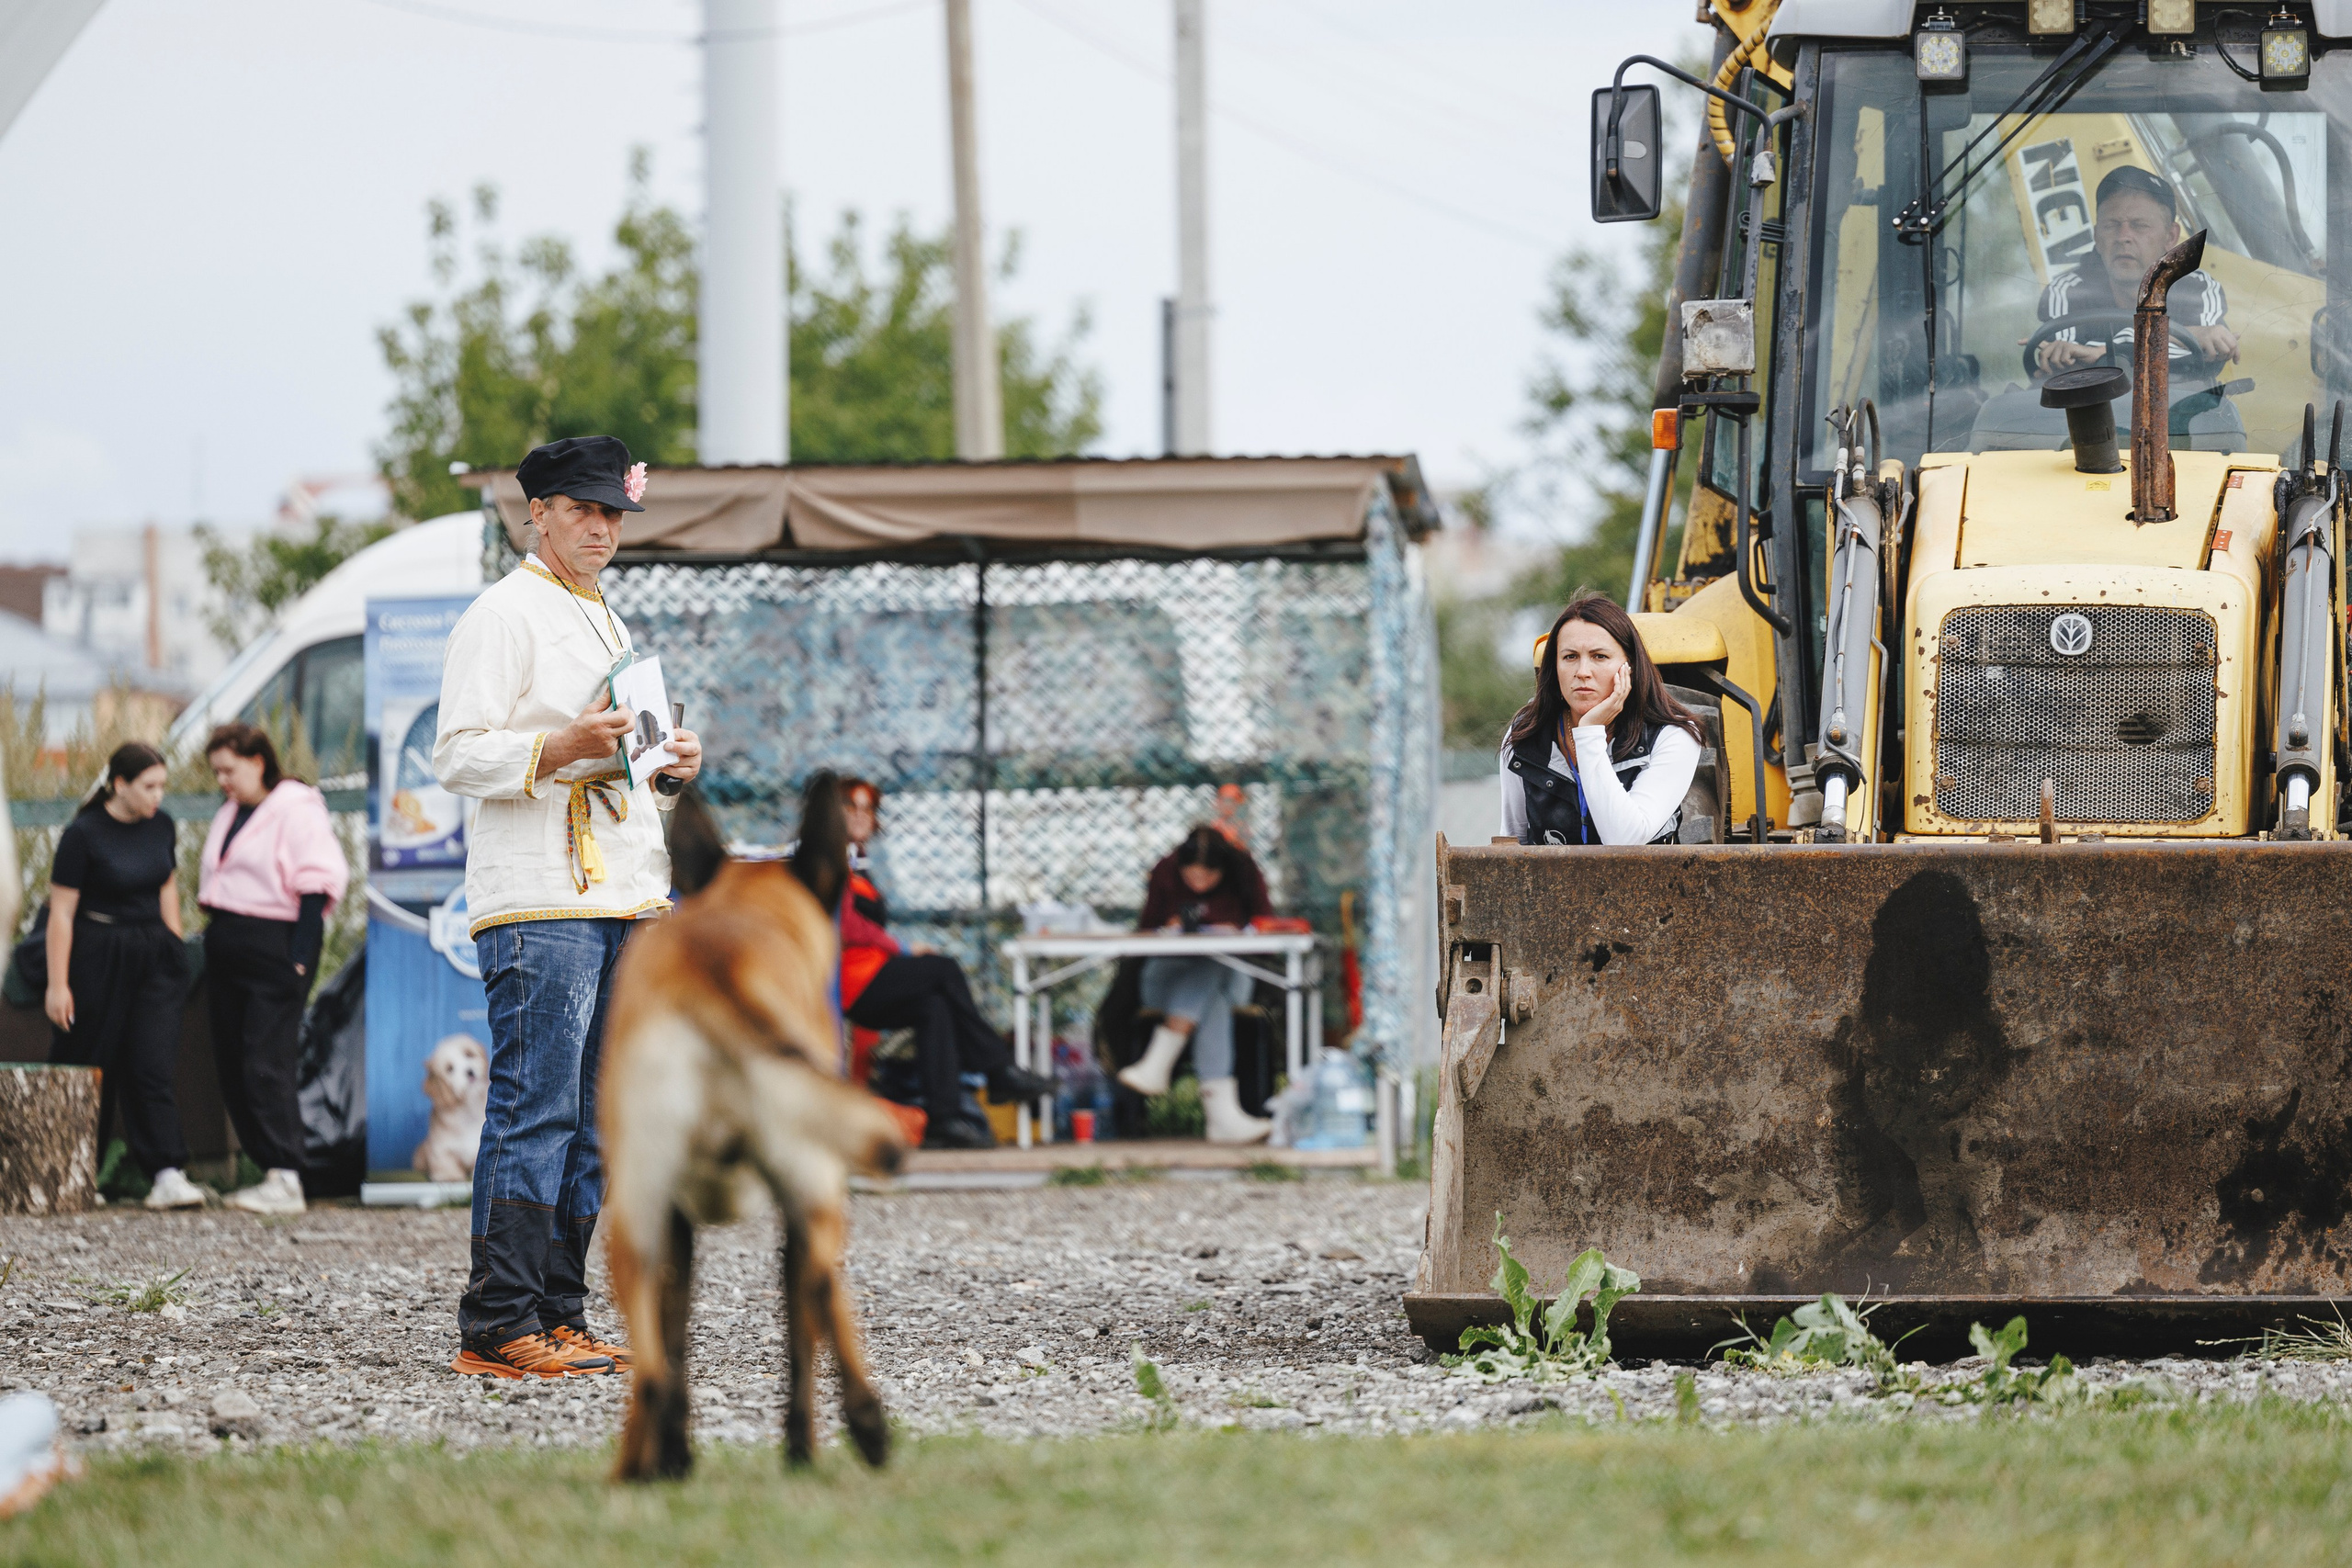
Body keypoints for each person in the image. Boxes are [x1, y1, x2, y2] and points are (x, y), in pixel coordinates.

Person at [434, 434, 703, 1381]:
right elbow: (457, 753)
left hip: (617, 892)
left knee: (590, 1116)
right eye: (583, 509)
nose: (601, 527)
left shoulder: (602, 617)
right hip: (540, 893)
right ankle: (497, 1321)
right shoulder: (503, 614)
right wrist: (556, 747)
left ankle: (556, 1309)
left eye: (612, 512)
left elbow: (616, 763)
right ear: (535, 512)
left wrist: (666, 770)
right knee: (535, 1105)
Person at [837, 778, 1054, 1148]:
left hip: (873, 975)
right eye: (851, 807)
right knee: (943, 969)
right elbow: (846, 924)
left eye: (867, 808)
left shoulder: (860, 863)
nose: (861, 816)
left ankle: (945, 1117)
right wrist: (902, 948)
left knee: (933, 1007)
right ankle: (998, 1070)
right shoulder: (828, 858)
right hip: (851, 981)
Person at [196, 722, 350, 1217]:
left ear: (257, 761)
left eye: (229, 769)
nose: (222, 779)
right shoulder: (233, 812)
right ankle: (269, 1169)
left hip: (275, 946)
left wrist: (300, 954)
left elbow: (316, 879)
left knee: (266, 1058)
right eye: (216, 771)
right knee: (233, 1060)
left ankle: (287, 1172)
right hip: (228, 944)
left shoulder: (295, 808)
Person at [44, 742, 200, 1210]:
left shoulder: (163, 826)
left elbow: (167, 885)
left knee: (150, 1063)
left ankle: (167, 1173)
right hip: (96, 955)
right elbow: (61, 915)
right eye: (149, 786)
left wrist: (174, 946)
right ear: (119, 785)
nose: (158, 796)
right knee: (91, 1062)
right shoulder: (82, 835)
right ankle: (75, 1175)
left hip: (153, 955)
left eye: (163, 786)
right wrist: (57, 983)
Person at [1501, 595, 1706, 846]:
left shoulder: (1673, 734)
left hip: (1648, 884)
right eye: (1570, 657)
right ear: (1554, 667)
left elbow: (1626, 842)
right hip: (1552, 885)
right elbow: (1513, 841)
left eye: (1599, 656)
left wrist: (1589, 733)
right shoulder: (1526, 735)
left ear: (1629, 665)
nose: (1583, 672)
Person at [1116, 826, 1275, 1145]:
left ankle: (1158, 1061)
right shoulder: (1165, 871)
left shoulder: (1244, 871)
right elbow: (1146, 930)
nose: (1199, 884)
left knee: (1212, 962)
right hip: (1166, 980)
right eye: (1191, 877)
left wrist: (1231, 930)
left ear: (1224, 871)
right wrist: (1168, 926)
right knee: (1210, 996)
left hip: (1231, 976)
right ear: (1180, 867)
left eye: (1208, 877)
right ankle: (1222, 1120)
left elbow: (1266, 926)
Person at [2032, 164, 2237, 378]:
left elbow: (2202, 358)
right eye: (2111, 225)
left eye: (2139, 225)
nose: (2123, 236)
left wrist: (2100, 352)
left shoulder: (2198, 286)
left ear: (2170, 236)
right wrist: (2187, 335)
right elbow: (2067, 366)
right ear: (2096, 237)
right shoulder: (2066, 290)